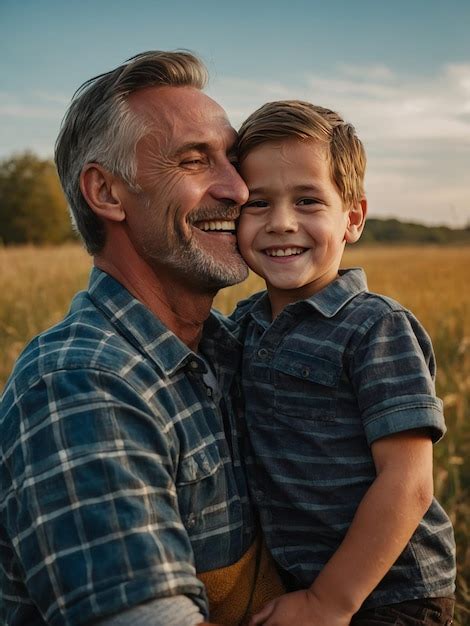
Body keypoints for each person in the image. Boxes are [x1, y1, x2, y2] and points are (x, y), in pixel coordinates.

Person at [0, 51, 284, 626]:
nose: (238, 189)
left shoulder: (240, 349)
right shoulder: (81, 387)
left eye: (232, 159)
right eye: (194, 160)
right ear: (106, 192)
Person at [230, 100, 456, 626]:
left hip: (390, 591)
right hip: (302, 582)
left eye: (308, 201)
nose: (281, 223)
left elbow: (408, 481)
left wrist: (329, 601)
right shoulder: (242, 326)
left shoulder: (374, 328)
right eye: (258, 204)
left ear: (352, 218)